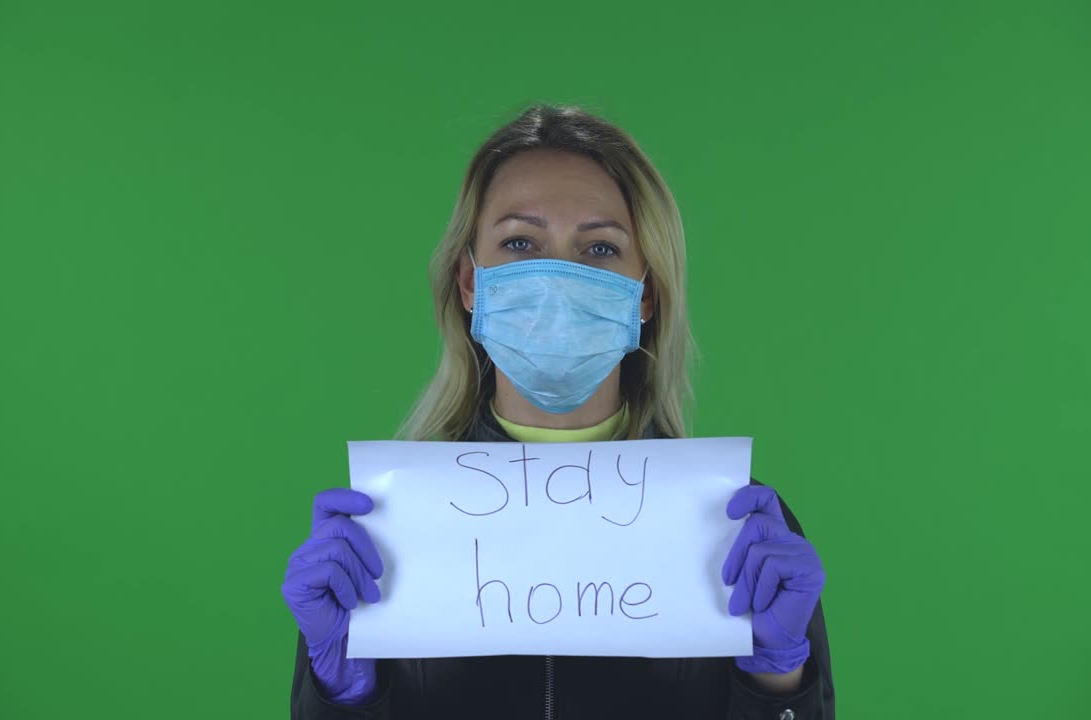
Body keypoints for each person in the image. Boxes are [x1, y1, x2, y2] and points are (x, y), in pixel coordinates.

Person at [282, 103, 834, 719]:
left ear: (645, 293)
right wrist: (339, 692)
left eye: (599, 248)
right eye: (520, 243)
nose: (557, 279)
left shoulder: (740, 528)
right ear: (471, 283)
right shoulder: (383, 530)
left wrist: (781, 679)